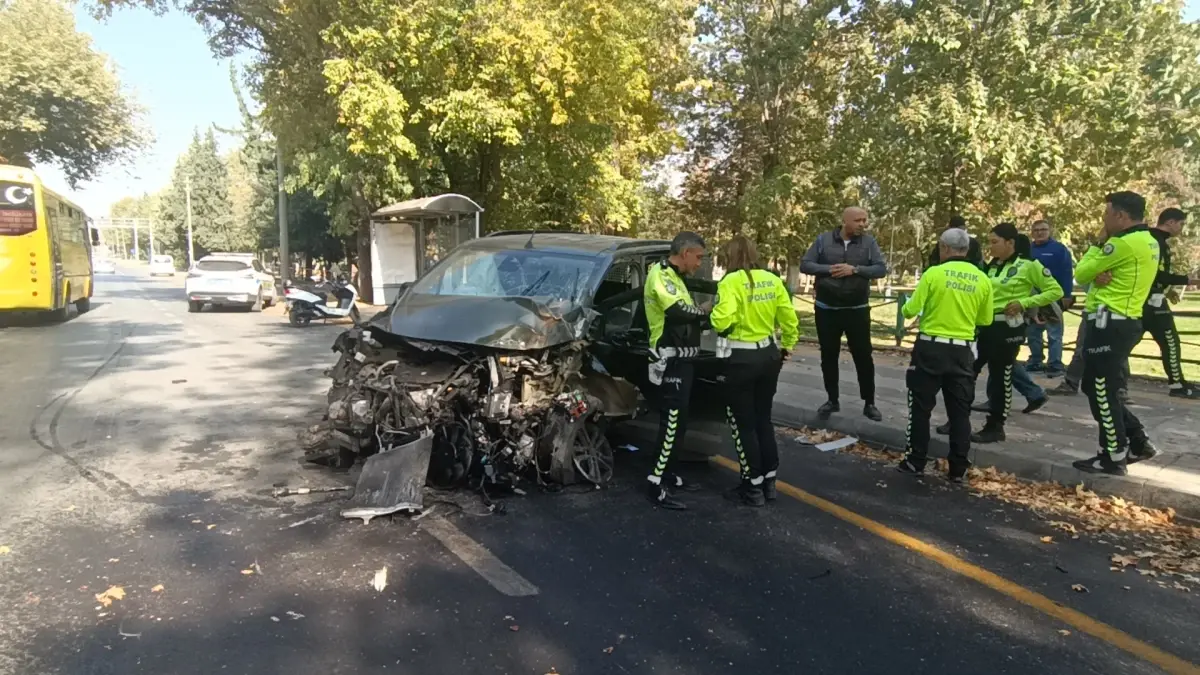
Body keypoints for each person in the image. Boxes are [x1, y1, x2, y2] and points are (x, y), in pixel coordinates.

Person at [1072, 192, 1160, 475]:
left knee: (1101, 390)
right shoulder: (1149, 240)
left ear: (1120, 216)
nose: (1103, 220)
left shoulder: (1120, 244)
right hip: (1124, 321)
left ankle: (1113, 453)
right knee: (1096, 386)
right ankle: (1137, 440)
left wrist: (1098, 246)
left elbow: (1082, 274)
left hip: (1109, 324)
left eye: (1106, 214)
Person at [897, 228, 994, 483]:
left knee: (920, 408)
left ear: (945, 248)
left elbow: (910, 310)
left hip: (930, 348)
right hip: (962, 350)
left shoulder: (934, 274)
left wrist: (911, 304)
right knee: (960, 412)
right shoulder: (982, 278)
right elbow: (985, 318)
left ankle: (915, 461)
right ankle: (958, 468)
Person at [710, 235, 799, 506]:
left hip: (741, 357)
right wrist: (787, 346)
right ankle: (770, 482)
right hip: (769, 355)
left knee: (744, 424)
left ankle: (752, 487)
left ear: (730, 257)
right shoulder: (773, 280)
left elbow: (722, 319)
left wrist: (713, 314)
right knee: (764, 420)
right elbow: (789, 317)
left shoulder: (731, 282)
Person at [968, 226, 1063, 443]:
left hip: (1008, 326)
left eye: (995, 242)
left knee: (1002, 374)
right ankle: (957, 418)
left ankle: (996, 425)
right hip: (985, 325)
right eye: (989, 242)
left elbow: (1054, 291)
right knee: (969, 369)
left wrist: (1024, 303)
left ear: (1010, 242)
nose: (990, 247)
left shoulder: (1028, 265)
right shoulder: (992, 267)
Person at [642, 232, 713, 509]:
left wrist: (704, 318)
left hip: (684, 361)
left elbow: (688, 319)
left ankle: (669, 474)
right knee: (671, 423)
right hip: (669, 360)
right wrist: (705, 310)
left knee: (680, 422)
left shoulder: (676, 277)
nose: (698, 264)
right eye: (698, 257)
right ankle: (655, 483)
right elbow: (679, 311)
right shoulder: (659, 274)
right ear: (685, 253)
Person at [800, 207, 888, 422]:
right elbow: (806, 264)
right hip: (826, 310)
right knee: (828, 356)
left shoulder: (869, 243)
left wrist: (855, 270)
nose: (862, 224)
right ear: (844, 221)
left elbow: (880, 269)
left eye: (864, 220)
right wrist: (829, 270)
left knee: (863, 357)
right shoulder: (823, 240)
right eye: (858, 220)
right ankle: (832, 400)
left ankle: (869, 403)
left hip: (857, 310)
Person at [1144, 208, 1200, 398]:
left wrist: (1167, 290)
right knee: (1170, 342)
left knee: (1125, 343)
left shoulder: (1156, 241)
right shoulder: (1156, 242)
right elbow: (1155, 274)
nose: (1182, 229)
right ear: (1170, 222)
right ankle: (1177, 385)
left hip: (1150, 299)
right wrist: (1189, 280)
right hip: (1151, 303)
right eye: (1181, 224)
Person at [1027, 220, 1074, 376]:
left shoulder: (1059, 249)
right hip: (1033, 297)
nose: (1040, 232)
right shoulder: (1028, 250)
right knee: (1033, 331)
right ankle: (1035, 361)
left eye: (1043, 229)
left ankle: (1055, 363)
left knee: (1054, 332)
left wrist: (1067, 295)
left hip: (1052, 297)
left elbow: (1067, 272)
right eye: (1037, 230)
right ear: (1032, 232)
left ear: (1050, 231)